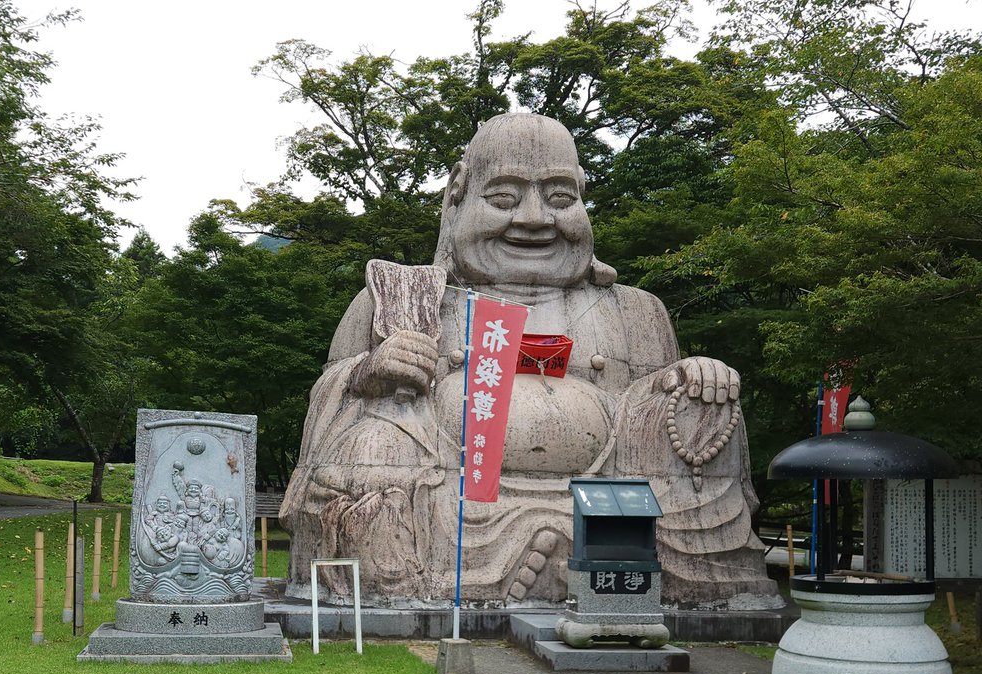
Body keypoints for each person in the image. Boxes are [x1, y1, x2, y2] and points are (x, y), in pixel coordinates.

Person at [281, 113, 777, 608]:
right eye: (503, 199)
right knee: (374, 441)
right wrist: (369, 372)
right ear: (459, 195)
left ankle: (673, 576)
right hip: (450, 492)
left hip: (604, 488)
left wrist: (693, 376)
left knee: (703, 400)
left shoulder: (635, 310)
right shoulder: (402, 297)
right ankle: (451, 575)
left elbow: (650, 406)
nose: (535, 218)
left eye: (561, 198)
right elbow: (325, 403)